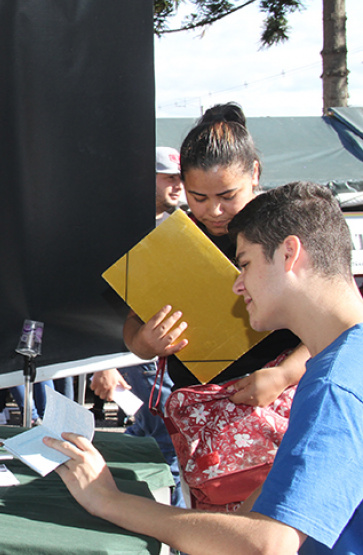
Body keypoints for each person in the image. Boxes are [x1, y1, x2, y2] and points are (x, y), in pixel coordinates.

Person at [46, 182, 362, 554]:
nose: (238, 285)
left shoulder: (335, 385)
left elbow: (268, 544)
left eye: (245, 264)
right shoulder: (343, 364)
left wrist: (107, 500)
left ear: (289, 254)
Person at [123, 104, 308, 403]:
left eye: (227, 196)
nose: (215, 211)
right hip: (197, 408)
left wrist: (284, 375)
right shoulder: (175, 240)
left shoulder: (290, 234)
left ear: (254, 173)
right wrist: (145, 343)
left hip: (282, 401)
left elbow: (340, 320)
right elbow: (133, 325)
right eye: (198, 198)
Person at [90, 146, 186, 505]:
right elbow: (102, 298)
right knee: (169, 444)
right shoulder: (121, 228)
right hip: (136, 354)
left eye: (179, 177)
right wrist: (104, 362)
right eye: (168, 177)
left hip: (165, 356)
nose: (177, 184)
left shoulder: (182, 227)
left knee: (148, 435)